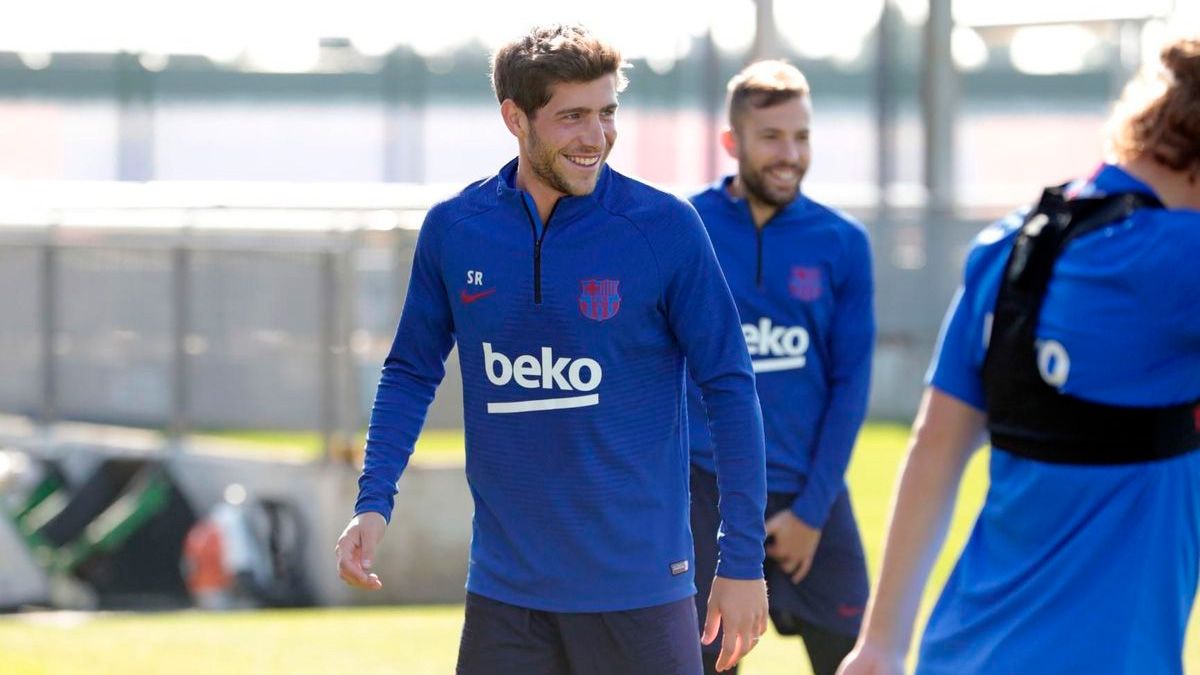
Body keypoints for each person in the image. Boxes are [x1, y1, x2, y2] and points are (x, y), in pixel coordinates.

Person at [334, 24, 769, 675]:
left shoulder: (666, 229)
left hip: (641, 593)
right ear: (516, 117)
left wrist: (740, 561)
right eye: (572, 117)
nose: (595, 137)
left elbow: (730, 389)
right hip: (507, 594)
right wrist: (375, 498)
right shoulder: (457, 230)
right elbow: (409, 370)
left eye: (606, 113)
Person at [839, 36, 1200, 675]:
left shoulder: (1009, 244)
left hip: (961, 652)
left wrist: (881, 646)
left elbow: (935, 447)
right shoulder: (1179, 256)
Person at [687, 60, 876, 675]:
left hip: (808, 500)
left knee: (864, 660)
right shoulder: (684, 229)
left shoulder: (843, 242)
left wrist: (813, 511)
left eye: (801, 136)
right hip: (704, 493)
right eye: (771, 137)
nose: (789, 153)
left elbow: (851, 385)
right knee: (703, 663)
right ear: (731, 143)